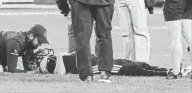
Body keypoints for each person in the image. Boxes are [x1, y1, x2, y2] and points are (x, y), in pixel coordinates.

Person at [29, 48, 169, 77]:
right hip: (94, 66)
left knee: (131, 63)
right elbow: (61, 72)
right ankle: (163, 73)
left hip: (95, 60)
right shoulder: (50, 63)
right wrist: (60, 55)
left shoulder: (49, 61)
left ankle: (167, 70)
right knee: (128, 68)